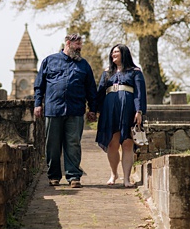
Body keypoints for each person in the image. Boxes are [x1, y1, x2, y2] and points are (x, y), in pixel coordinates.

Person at [34, 32, 99, 188]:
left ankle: (74, 176)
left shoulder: (84, 65)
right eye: (77, 45)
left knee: (73, 144)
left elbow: (91, 89)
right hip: (53, 109)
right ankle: (54, 176)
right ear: (68, 43)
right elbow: (39, 85)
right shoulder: (49, 61)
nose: (80, 48)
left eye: (80, 45)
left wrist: (92, 109)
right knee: (52, 144)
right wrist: (38, 104)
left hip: (75, 110)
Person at [94, 44, 147, 188]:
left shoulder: (135, 72)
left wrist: (139, 111)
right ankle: (113, 173)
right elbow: (99, 92)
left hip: (129, 109)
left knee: (127, 143)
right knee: (112, 143)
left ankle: (127, 178)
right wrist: (94, 110)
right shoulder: (107, 72)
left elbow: (140, 93)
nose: (113, 54)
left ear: (124, 53)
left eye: (116, 52)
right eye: (112, 52)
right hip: (110, 110)